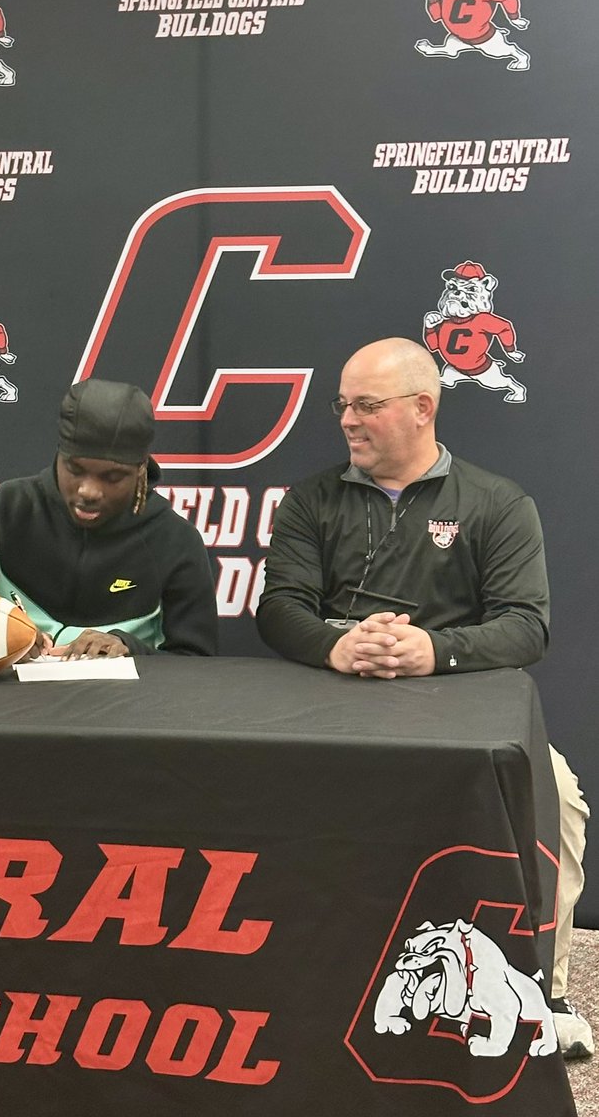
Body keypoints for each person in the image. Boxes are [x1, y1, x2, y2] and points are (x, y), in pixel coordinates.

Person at [256, 337, 591, 1059]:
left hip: (458, 707)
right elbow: (279, 606)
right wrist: (335, 645)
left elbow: (526, 624)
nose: (348, 420)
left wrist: (434, 650)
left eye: (367, 406)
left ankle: (547, 990)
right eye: (343, 405)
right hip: (333, 700)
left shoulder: (497, 503)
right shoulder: (312, 499)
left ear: (422, 408)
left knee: (557, 800)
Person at [0, 378, 218, 658]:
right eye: (75, 470)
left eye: (112, 477)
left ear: (140, 470)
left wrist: (128, 647)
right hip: (7, 703)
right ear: (59, 455)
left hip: (126, 706)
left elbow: (195, 662)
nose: (89, 491)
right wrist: (0, 632)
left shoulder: (175, 540)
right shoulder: (8, 509)